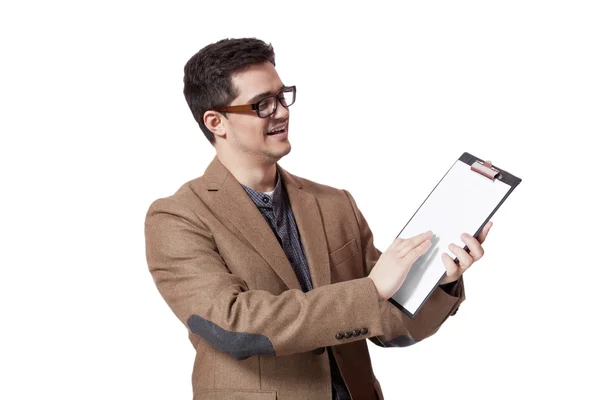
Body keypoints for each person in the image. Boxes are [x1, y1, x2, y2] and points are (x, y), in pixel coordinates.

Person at [144, 37, 492, 400]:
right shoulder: (176, 217)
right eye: (262, 104)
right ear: (216, 122)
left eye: (282, 96)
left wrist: (438, 280)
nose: (281, 111)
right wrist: (371, 290)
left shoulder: (334, 203)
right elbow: (234, 325)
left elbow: (387, 323)